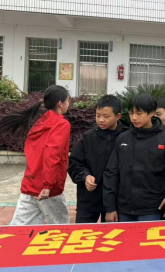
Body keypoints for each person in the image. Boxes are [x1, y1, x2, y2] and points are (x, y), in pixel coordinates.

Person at [104, 94, 165, 222]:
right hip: (124, 208)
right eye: (131, 113)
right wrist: (110, 207)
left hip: (152, 208)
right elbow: (111, 172)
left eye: (139, 113)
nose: (134, 117)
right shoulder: (123, 138)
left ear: (151, 113)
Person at [0, 86, 71, 225]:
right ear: (60, 103)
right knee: (60, 228)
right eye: (68, 100)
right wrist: (48, 185)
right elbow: (52, 155)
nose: (69, 104)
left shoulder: (40, 122)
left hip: (30, 183)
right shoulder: (62, 124)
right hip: (48, 188)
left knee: (19, 227)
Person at [68, 95, 126, 223]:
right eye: (98, 115)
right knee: (83, 233)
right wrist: (85, 176)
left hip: (116, 201)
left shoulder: (126, 138)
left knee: (112, 234)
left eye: (106, 116)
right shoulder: (88, 137)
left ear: (118, 116)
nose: (100, 120)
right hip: (88, 199)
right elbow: (74, 163)